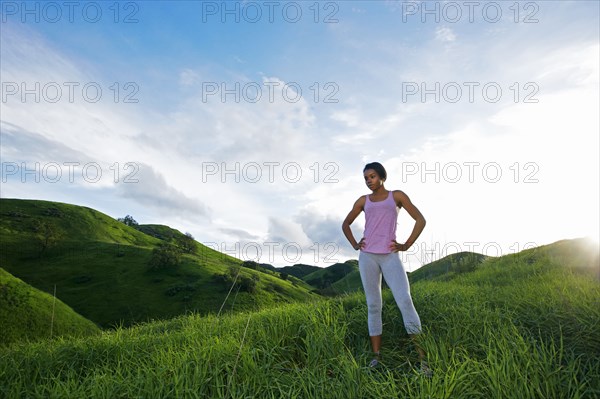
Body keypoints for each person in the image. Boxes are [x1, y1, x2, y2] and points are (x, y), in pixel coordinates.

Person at [341, 162, 430, 375]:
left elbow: (420, 219)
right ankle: (376, 358)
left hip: (390, 256)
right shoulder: (363, 201)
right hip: (368, 257)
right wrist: (355, 244)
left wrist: (406, 245)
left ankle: (423, 360)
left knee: (405, 301)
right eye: (366, 178)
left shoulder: (397, 196)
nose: (368, 181)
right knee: (373, 305)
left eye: (372, 176)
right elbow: (345, 224)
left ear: (382, 176)